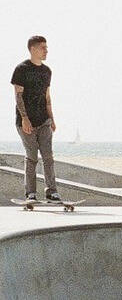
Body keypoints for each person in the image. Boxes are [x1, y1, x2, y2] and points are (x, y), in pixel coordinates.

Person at [12, 36, 60, 203]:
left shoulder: (47, 71)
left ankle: (52, 192)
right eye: (43, 48)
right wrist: (24, 118)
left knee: (48, 157)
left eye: (46, 48)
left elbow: (47, 97)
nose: (46, 51)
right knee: (32, 156)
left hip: (44, 120)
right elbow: (18, 96)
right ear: (33, 49)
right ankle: (30, 193)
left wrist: (52, 118)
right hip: (26, 122)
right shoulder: (22, 69)